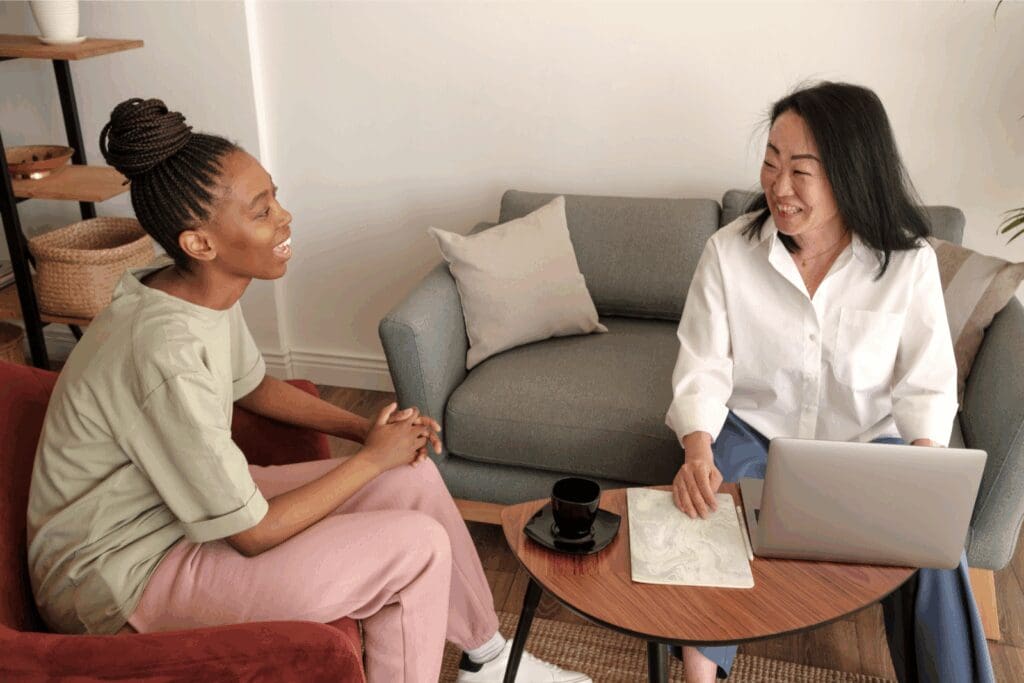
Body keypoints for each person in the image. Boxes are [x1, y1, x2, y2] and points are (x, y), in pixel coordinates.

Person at [26, 98, 590, 683]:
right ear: (200, 243)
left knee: (411, 475)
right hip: (114, 578)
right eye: (262, 210)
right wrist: (371, 458)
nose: (285, 217)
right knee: (415, 547)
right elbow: (252, 534)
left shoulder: (189, 292)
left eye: (275, 197)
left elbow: (253, 386)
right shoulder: (164, 352)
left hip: (171, 511)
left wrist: (365, 432)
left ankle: (489, 661)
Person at [665, 82, 994, 683]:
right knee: (712, 513)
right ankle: (699, 677)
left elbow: (926, 384)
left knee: (938, 551)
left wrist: (923, 483)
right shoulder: (728, 252)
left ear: (849, 173)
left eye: (800, 170)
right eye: (770, 161)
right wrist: (696, 448)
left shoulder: (908, 261)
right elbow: (704, 366)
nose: (778, 186)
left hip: (871, 448)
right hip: (754, 434)